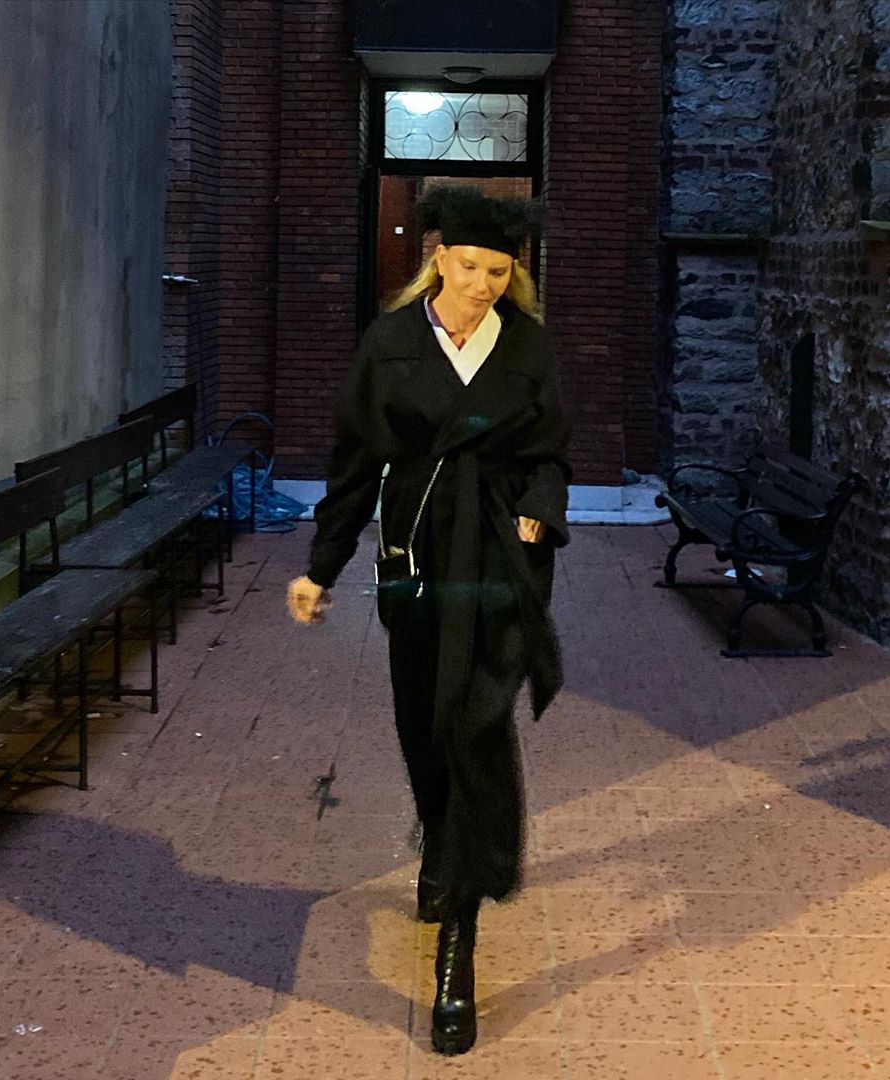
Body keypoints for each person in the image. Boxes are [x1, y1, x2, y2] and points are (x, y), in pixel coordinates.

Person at [286, 185, 570, 1055]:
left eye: (500, 272)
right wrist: (321, 565)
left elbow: (552, 452)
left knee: (475, 729)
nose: (483, 285)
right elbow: (352, 463)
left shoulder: (529, 347)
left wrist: (540, 505)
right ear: (439, 257)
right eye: (471, 266)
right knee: (423, 725)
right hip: (415, 559)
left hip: (501, 564)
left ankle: (459, 941)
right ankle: (443, 845)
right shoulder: (390, 344)